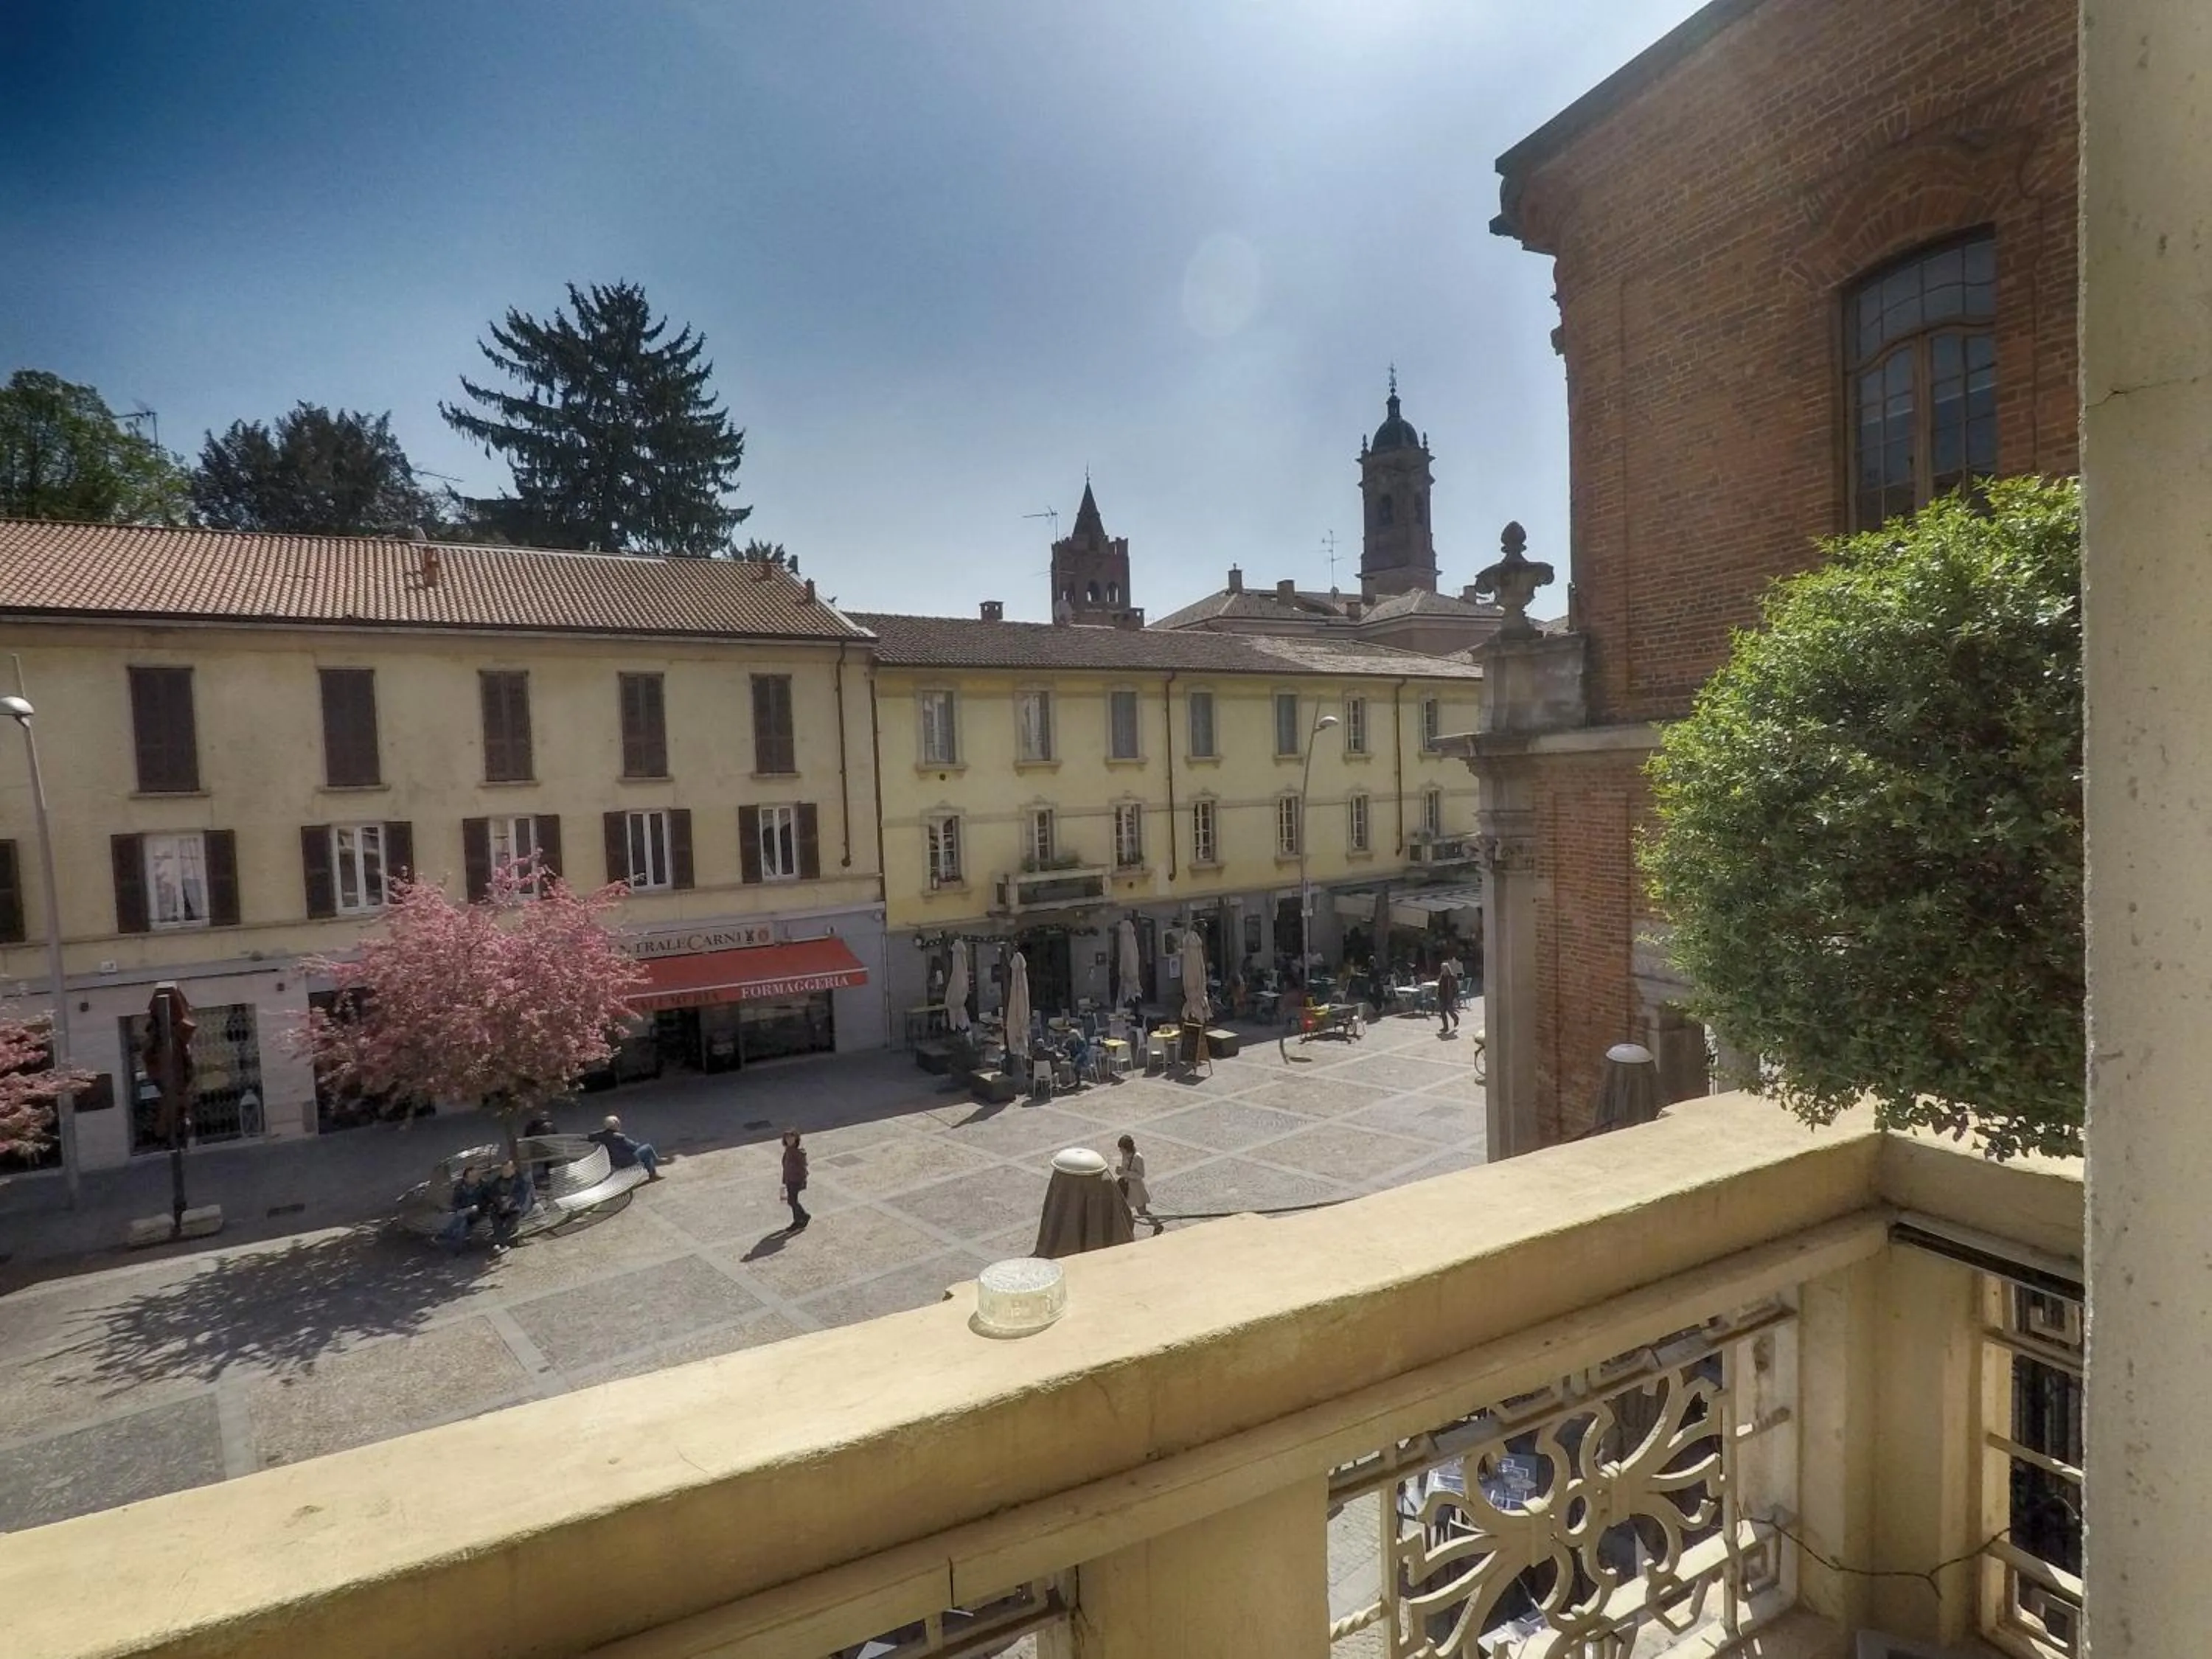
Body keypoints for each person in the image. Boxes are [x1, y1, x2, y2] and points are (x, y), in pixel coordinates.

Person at [590, 1113, 663, 1180]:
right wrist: (637, 1144)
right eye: (618, 1123)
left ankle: (653, 1170)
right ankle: (654, 1169)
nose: (619, 1124)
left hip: (614, 1162)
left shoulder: (601, 1136)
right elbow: (634, 1147)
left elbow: (591, 1136)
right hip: (627, 1161)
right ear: (615, 1125)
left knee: (645, 1152)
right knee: (647, 1148)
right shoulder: (619, 1137)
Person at [438, 1163, 485, 1253]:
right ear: (465, 1178)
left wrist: (478, 1207)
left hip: (478, 1212)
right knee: (462, 1224)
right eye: (472, 1177)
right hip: (464, 1212)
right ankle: (455, 1247)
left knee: (462, 1220)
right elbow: (455, 1202)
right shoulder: (460, 1187)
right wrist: (459, 1208)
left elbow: (488, 1200)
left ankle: (445, 1236)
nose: (475, 1178)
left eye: (476, 1176)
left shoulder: (484, 1185)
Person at [1115, 1134, 1158, 1233]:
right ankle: (1129, 1230)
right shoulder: (1125, 1155)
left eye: (1121, 1148)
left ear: (1126, 1148)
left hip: (1136, 1189)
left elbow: (1141, 1175)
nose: (1120, 1151)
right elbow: (1125, 1169)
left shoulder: (1138, 1158)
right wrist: (1120, 1171)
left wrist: (1125, 1172)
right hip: (1126, 1187)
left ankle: (1157, 1225)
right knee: (1124, 1209)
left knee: (1142, 1212)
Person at [487, 1158, 532, 1251]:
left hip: (516, 1207)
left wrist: (510, 1201)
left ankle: (500, 1244)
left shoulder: (521, 1180)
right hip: (501, 1207)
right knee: (495, 1217)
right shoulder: (498, 1181)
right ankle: (501, 1243)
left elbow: (522, 1195)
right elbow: (492, 1194)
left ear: (513, 1169)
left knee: (510, 1220)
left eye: (507, 1170)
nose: (504, 1172)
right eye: (503, 1170)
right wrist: (500, 1201)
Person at [780, 1130, 810, 1232]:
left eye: (791, 1138)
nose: (789, 1140)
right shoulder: (788, 1150)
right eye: (787, 1138)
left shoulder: (798, 1152)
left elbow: (803, 1167)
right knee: (791, 1201)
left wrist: (802, 1179)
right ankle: (798, 1220)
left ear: (796, 1139)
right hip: (789, 1179)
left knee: (792, 1201)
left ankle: (804, 1216)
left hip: (796, 1180)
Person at [1437, 961, 1461, 1037]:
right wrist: (1438, 994)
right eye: (1442, 968)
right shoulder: (1441, 977)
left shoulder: (1452, 978)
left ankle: (1456, 1018)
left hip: (1450, 997)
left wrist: (1455, 997)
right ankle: (1446, 1027)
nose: (1443, 970)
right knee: (1442, 1012)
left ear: (1447, 969)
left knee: (1450, 1010)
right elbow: (1440, 987)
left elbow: (1456, 988)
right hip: (1442, 997)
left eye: (1444, 968)